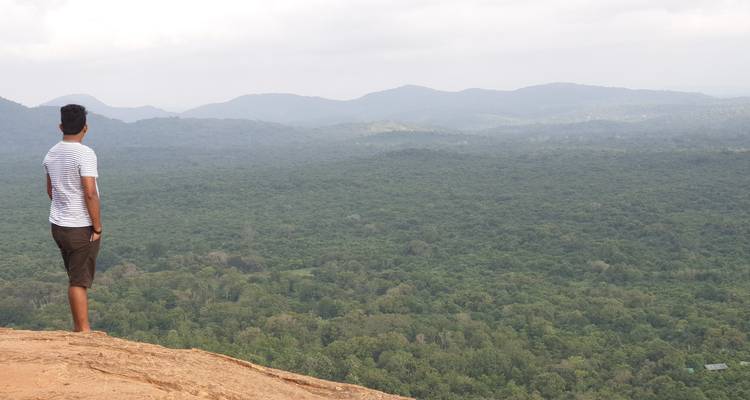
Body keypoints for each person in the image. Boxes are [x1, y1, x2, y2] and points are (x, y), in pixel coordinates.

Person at [43, 104, 102, 333]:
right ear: (85, 128)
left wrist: (64, 205)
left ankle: (81, 328)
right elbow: (90, 192)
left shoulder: (51, 153)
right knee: (78, 280)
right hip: (80, 226)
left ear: (61, 126)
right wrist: (96, 227)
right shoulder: (84, 153)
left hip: (58, 224)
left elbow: (51, 190)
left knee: (74, 274)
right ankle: (83, 331)